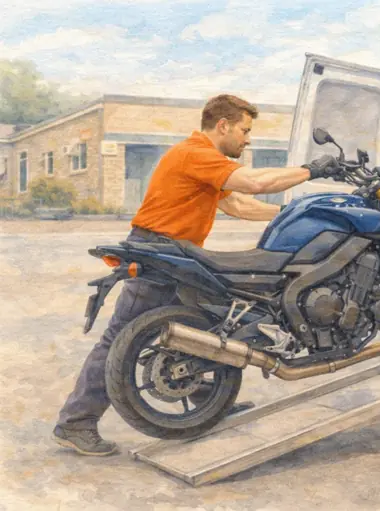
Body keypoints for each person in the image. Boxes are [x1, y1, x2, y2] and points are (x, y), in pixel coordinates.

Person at [53, 94, 340, 456]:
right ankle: (75, 422)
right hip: (159, 250)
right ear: (223, 126)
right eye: (244, 130)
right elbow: (254, 183)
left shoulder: (203, 160)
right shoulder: (195, 153)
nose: (248, 139)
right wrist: (312, 170)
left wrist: (290, 215)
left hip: (181, 255)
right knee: (121, 337)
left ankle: (209, 398)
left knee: (209, 324)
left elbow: (236, 203)